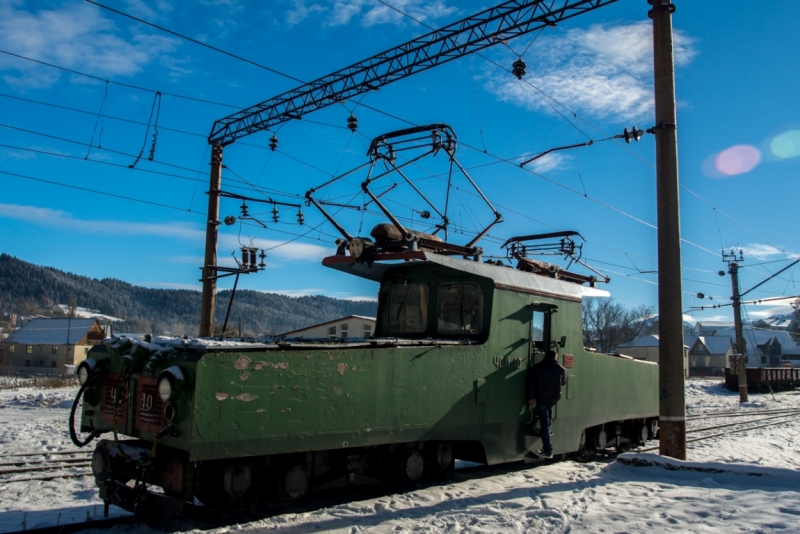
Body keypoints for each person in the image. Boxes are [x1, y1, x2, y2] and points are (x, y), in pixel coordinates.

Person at [526, 349, 566, 459]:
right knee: (547, 423)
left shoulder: (537, 367)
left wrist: (531, 397)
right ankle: (547, 447)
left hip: (541, 398)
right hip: (553, 399)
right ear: (555, 357)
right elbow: (563, 382)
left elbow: (530, 382)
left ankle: (548, 451)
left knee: (544, 425)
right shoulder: (561, 369)